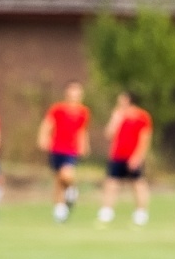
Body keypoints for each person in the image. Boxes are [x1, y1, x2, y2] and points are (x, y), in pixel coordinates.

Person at [98, 91, 152, 227]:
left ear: (129, 100)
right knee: (111, 183)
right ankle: (107, 213)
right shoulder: (118, 115)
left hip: (133, 156)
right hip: (117, 155)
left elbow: (145, 138)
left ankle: (141, 213)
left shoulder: (142, 116)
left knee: (137, 184)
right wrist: (115, 120)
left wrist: (137, 156)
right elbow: (108, 134)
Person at [37, 81, 89, 223]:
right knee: (58, 180)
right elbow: (47, 124)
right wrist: (43, 138)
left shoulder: (83, 112)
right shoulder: (58, 109)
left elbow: (82, 130)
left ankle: (72, 190)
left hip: (71, 150)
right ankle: (60, 209)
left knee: (67, 175)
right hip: (56, 148)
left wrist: (84, 145)